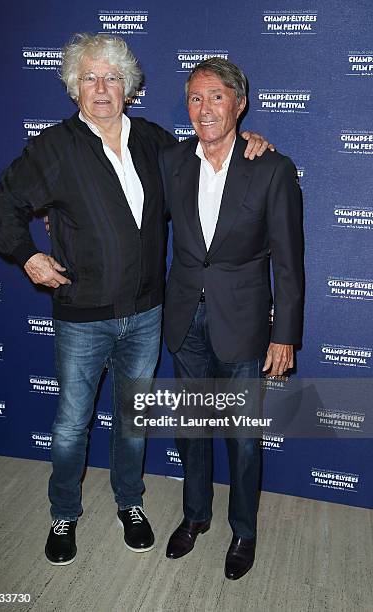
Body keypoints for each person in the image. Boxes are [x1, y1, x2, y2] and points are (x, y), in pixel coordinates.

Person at [0, 34, 271, 566]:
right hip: (82, 318)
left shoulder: (153, 142)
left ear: (129, 88)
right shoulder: (54, 146)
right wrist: (27, 255)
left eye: (113, 78)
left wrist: (248, 138)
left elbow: (211, 151)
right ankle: (63, 513)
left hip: (146, 316)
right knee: (72, 423)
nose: (102, 88)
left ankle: (129, 503)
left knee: (131, 422)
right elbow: (4, 201)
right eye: (90, 78)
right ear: (74, 88)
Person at [160, 57, 304, 580]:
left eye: (216, 96)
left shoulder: (271, 167)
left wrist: (284, 334)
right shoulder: (171, 162)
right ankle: (195, 516)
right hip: (184, 322)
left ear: (239, 103)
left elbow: (289, 260)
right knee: (192, 429)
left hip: (243, 324)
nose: (204, 108)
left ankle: (243, 529)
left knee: (243, 439)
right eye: (195, 98)